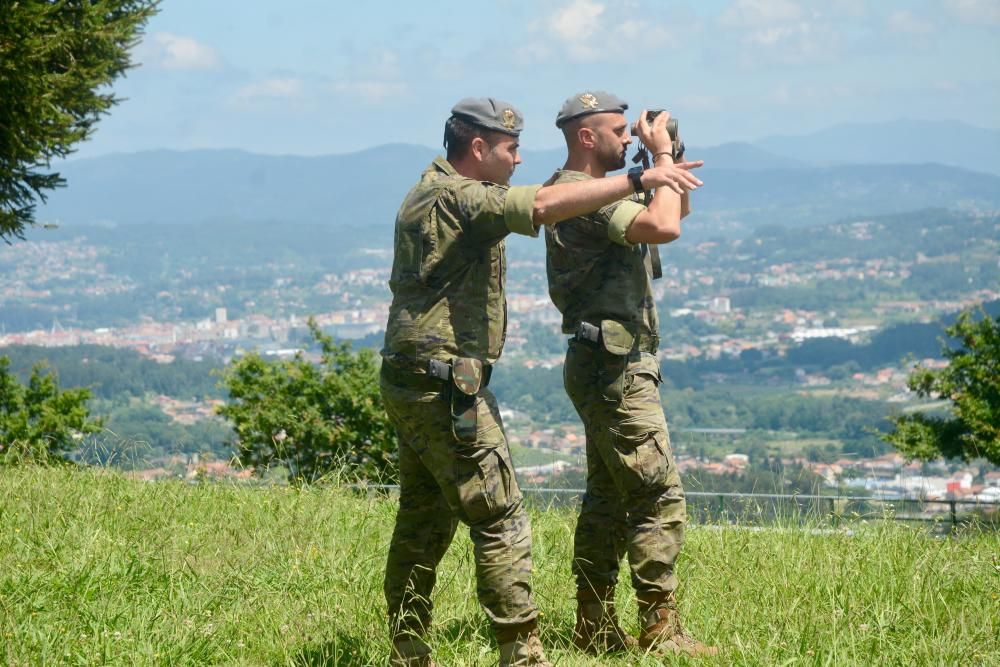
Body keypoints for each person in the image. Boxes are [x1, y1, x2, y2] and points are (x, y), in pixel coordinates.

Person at [379, 97, 702, 667]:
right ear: (478, 148)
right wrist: (644, 172)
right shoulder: (458, 195)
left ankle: (408, 647)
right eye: (510, 148)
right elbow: (554, 205)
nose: (520, 159)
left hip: (417, 376)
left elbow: (656, 213)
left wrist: (661, 164)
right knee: (500, 516)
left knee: (424, 516)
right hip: (443, 382)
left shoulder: (433, 190)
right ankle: (522, 653)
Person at [544, 90, 717, 657]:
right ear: (586, 137)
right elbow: (664, 228)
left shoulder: (602, 190)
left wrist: (669, 157)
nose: (629, 139)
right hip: (614, 368)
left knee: (607, 497)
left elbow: (674, 211)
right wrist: (659, 159)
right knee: (655, 494)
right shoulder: (579, 194)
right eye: (619, 131)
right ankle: (660, 630)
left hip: (608, 363)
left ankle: (593, 625)